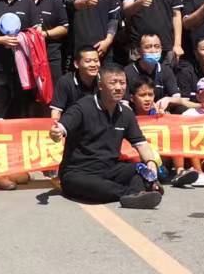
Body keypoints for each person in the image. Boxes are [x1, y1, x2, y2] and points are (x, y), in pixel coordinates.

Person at [50, 64, 162, 207]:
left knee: (140, 170)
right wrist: (56, 132)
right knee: (94, 186)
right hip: (79, 172)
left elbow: (140, 143)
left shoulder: (126, 113)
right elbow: (62, 127)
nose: (119, 87)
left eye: (122, 83)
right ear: (100, 85)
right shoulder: (82, 107)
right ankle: (134, 193)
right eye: (113, 83)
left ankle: (137, 194)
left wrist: (151, 163)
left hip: (110, 169)